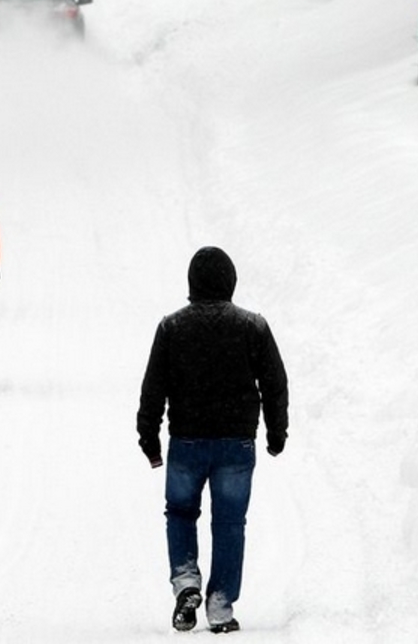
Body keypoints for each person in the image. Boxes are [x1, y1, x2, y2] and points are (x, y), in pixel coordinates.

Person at [136, 246, 289, 634]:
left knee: (181, 513)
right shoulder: (252, 326)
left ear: (191, 283)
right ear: (230, 282)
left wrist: (149, 437)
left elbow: (153, 388)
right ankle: (220, 604)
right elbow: (274, 384)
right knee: (230, 523)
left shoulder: (172, 328)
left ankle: (186, 582)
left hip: (186, 441)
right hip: (236, 443)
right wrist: (275, 433)